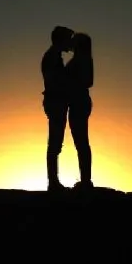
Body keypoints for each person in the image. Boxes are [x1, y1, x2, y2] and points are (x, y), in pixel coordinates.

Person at [41, 25, 74, 191]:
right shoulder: (52, 57)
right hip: (55, 102)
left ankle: (53, 182)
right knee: (55, 143)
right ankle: (53, 183)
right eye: (68, 39)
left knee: (55, 143)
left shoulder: (54, 56)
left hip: (55, 101)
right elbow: (54, 81)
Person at [65, 32, 94, 190]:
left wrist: (70, 83)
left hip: (79, 102)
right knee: (81, 142)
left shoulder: (82, 60)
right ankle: (85, 179)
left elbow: (88, 81)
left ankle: (86, 181)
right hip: (79, 102)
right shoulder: (82, 59)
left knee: (81, 142)